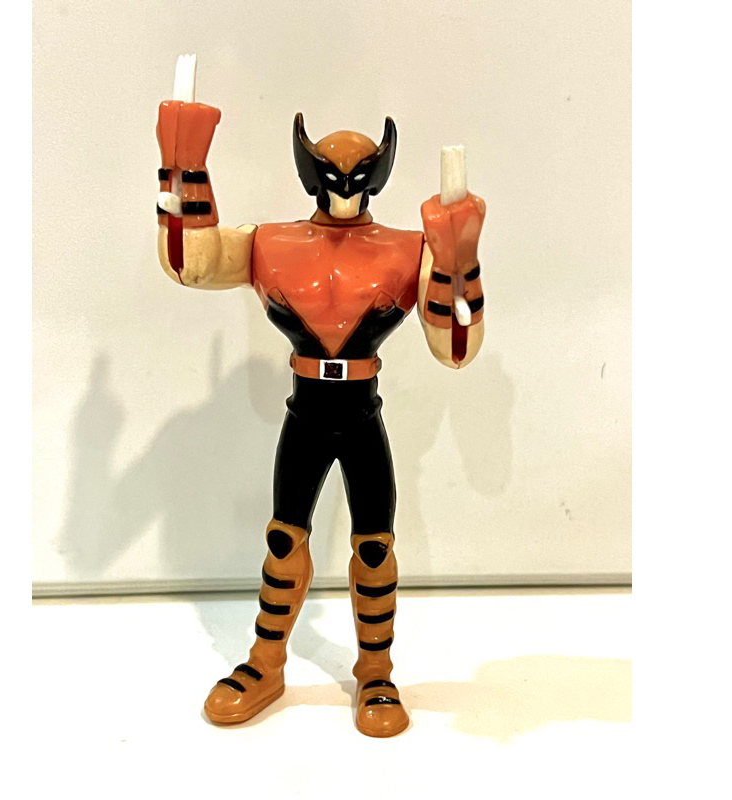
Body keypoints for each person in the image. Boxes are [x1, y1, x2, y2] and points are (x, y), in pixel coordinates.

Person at [155, 82, 485, 738]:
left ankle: (376, 671)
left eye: (360, 173)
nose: (345, 186)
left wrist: (459, 262)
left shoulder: (406, 250)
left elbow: (454, 348)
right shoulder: (271, 243)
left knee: (374, 547)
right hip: (306, 409)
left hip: (361, 412)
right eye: (331, 171)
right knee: (285, 538)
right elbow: (193, 262)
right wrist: (184, 166)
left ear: (380, 175)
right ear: (309, 172)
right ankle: (265, 661)